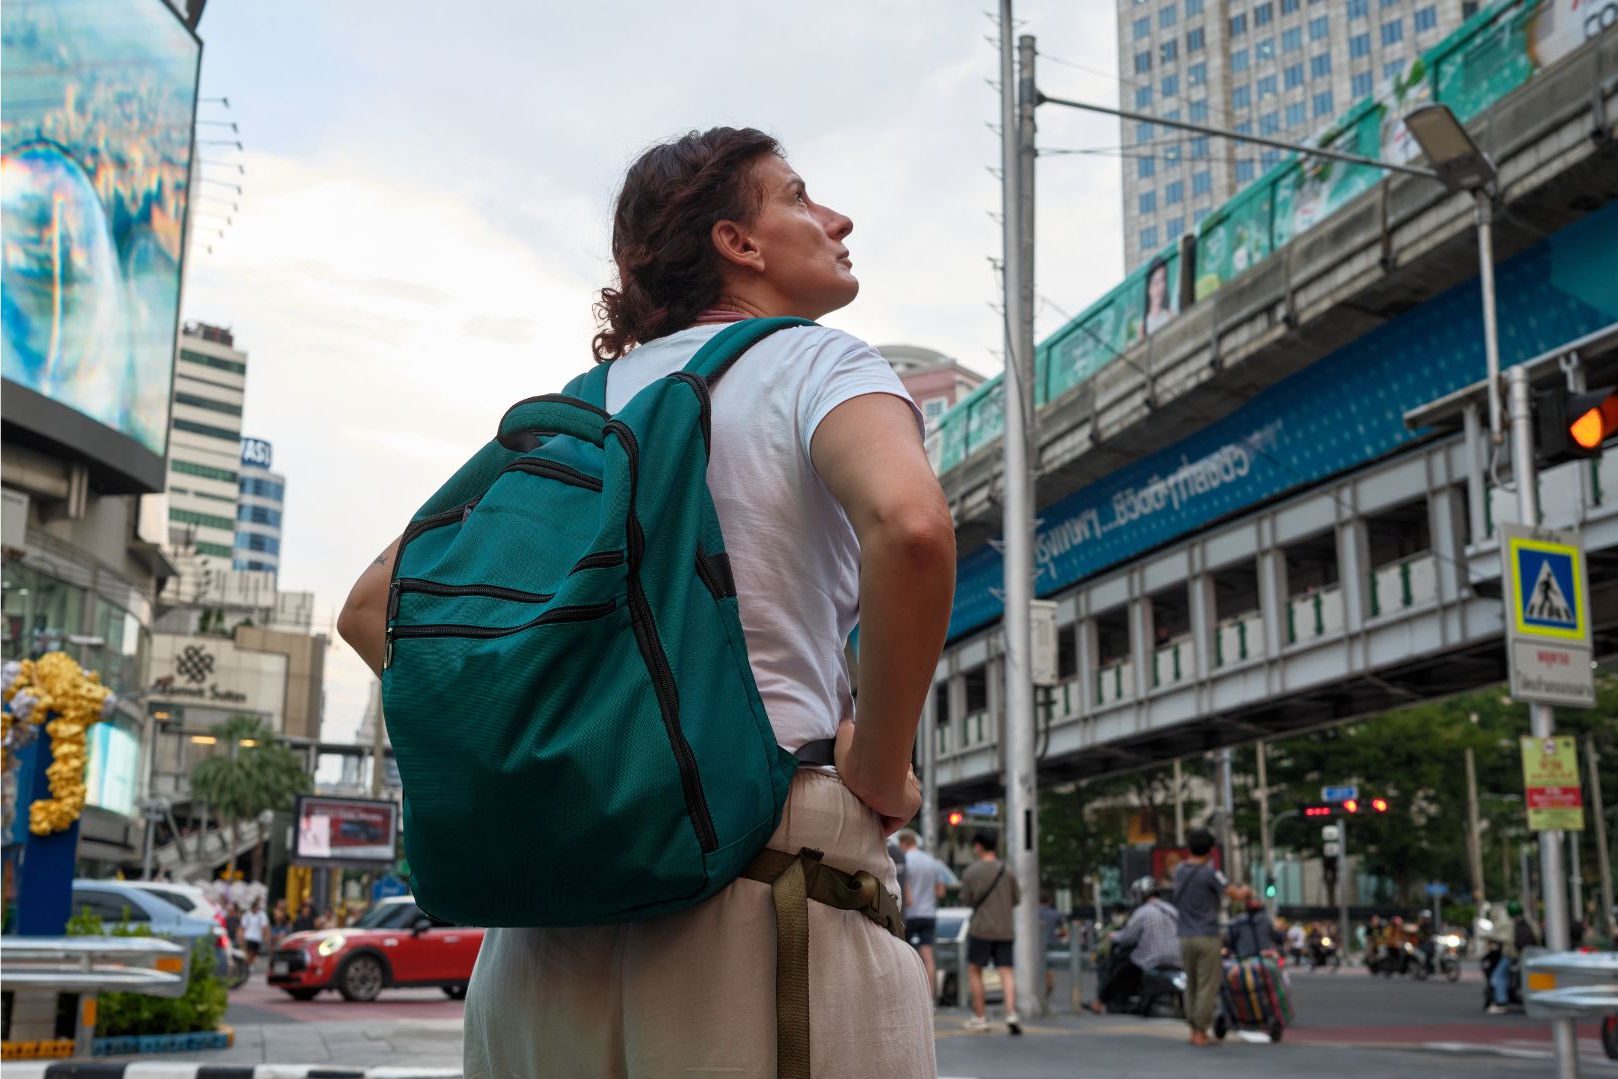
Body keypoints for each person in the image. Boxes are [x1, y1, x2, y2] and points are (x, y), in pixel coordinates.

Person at [339, 127, 953, 1078]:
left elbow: (373, 606)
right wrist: (878, 762)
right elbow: (912, 529)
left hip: (545, 924)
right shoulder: (816, 361)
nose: (837, 219)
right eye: (798, 197)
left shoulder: (576, 411)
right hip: (763, 879)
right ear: (737, 244)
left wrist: (578, 734)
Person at [1171, 828, 1245, 1047]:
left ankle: (1193, 1028)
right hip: (1207, 935)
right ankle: (1201, 1031)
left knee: (1191, 984)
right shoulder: (1210, 873)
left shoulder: (1180, 871)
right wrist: (1247, 892)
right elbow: (1234, 894)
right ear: (1210, 850)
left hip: (1185, 936)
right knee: (1207, 985)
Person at [1086, 876, 1179, 1014]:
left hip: (1151, 958)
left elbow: (1127, 937)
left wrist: (1112, 935)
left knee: (1121, 973)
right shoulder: (1172, 910)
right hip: (1177, 957)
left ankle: (1099, 1003)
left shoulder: (1143, 912)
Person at [960, 831, 1022, 1035]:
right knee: (1006, 971)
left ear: (978, 847)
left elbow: (966, 900)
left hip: (981, 929)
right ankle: (1011, 1013)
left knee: (975, 971)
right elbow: (1016, 899)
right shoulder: (1008, 871)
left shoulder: (971, 872)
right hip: (1005, 929)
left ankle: (980, 1017)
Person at [897, 829, 948, 1003]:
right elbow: (941, 891)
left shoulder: (905, 861)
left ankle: (910, 997)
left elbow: (907, 895)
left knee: (907, 956)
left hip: (910, 915)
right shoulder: (933, 862)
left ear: (904, 844)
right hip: (928, 914)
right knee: (928, 956)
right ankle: (930, 999)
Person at [1227, 895, 1281, 960]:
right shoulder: (1267, 920)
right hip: (1263, 959)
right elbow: (1273, 937)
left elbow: (1231, 940)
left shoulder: (1236, 921)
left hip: (1245, 958)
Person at [239, 899, 268, 971]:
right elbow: (243, 927)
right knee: (249, 951)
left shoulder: (262, 915)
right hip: (249, 936)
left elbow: (264, 926)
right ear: (253, 907)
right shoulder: (247, 915)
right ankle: (247, 964)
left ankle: (250, 964)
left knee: (255, 952)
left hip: (258, 937)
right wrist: (241, 936)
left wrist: (265, 936)